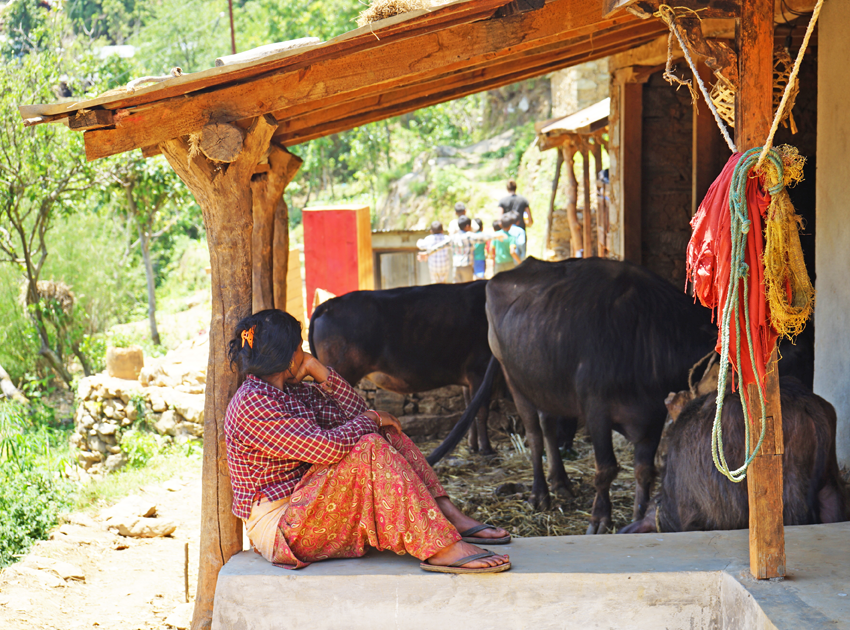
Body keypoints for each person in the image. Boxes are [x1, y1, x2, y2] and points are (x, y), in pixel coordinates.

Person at [224, 310, 511, 574]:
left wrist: (319, 370)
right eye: (300, 347)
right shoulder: (252, 402)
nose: (304, 352)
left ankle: (447, 515)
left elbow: (357, 414)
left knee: (384, 432)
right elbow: (330, 447)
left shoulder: (294, 392)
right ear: (286, 356)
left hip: (309, 504)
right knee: (369, 442)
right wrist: (371, 420)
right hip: (284, 528)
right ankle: (439, 546)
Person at [422, 215, 504, 283]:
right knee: (467, 287)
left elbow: (440, 245)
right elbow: (482, 237)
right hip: (466, 266)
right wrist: (496, 236)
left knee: (457, 288)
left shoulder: (453, 237)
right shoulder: (468, 236)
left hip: (456, 267)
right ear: (468, 226)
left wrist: (427, 253)